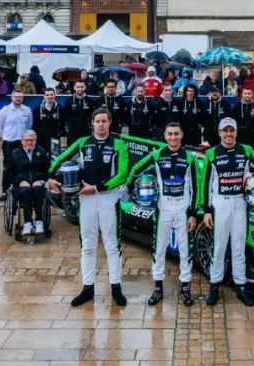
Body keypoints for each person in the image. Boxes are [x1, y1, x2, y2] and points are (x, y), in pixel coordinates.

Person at [47, 108, 130, 307]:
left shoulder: (119, 144)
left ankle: (116, 287)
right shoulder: (83, 142)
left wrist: (97, 187)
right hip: (86, 199)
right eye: (98, 121)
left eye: (104, 121)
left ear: (110, 123)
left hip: (108, 197)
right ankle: (87, 287)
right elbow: (60, 158)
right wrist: (50, 176)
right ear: (92, 123)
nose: (101, 124)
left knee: (112, 244)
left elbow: (123, 173)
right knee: (87, 245)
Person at [197, 117, 254, 307]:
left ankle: (241, 286)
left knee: (239, 247)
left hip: (240, 204)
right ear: (219, 133)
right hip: (220, 205)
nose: (228, 134)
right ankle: (214, 286)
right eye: (225, 131)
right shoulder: (211, 154)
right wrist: (206, 210)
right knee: (219, 248)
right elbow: (204, 184)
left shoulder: (246, 150)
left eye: (231, 130)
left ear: (236, 132)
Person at [126, 121, 201, 306]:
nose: (173, 137)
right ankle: (158, 287)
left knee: (185, 250)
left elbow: (197, 188)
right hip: (163, 208)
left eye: (176, 134)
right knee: (158, 249)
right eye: (170, 134)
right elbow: (136, 169)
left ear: (182, 135)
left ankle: (185, 288)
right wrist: (129, 187)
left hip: (183, 209)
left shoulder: (190, 158)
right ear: (165, 136)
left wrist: (193, 213)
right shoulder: (158, 154)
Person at [0, 88, 34, 202]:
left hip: (22, 143)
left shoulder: (27, 110)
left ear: (23, 98)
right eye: (16, 97)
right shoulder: (5, 110)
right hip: (9, 143)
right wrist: (5, 136)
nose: (18, 99)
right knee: (8, 167)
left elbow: (29, 125)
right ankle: (5, 190)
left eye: (20, 97)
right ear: (12, 97)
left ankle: (22, 189)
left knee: (23, 166)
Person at [10, 130, 50, 236]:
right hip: (22, 185)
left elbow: (48, 170)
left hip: (37, 182)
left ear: (35, 141)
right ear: (22, 141)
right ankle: (27, 222)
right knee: (26, 191)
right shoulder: (15, 154)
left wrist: (42, 180)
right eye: (26, 140)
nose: (29, 143)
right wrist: (19, 182)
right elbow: (9, 173)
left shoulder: (41, 152)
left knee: (37, 190)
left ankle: (39, 221)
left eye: (31, 140)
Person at [233, 87, 254, 152]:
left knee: (253, 155)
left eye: (249, 93)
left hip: (253, 136)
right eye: (245, 93)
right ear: (242, 95)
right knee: (240, 155)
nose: (247, 95)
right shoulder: (236, 107)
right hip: (240, 136)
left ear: (252, 94)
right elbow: (233, 121)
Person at [34, 87, 62, 152]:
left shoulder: (60, 108)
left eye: (51, 94)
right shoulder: (37, 109)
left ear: (55, 95)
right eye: (47, 95)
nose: (49, 97)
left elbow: (62, 124)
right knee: (42, 159)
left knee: (54, 159)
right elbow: (34, 125)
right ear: (44, 96)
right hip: (41, 140)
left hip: (55, 139)